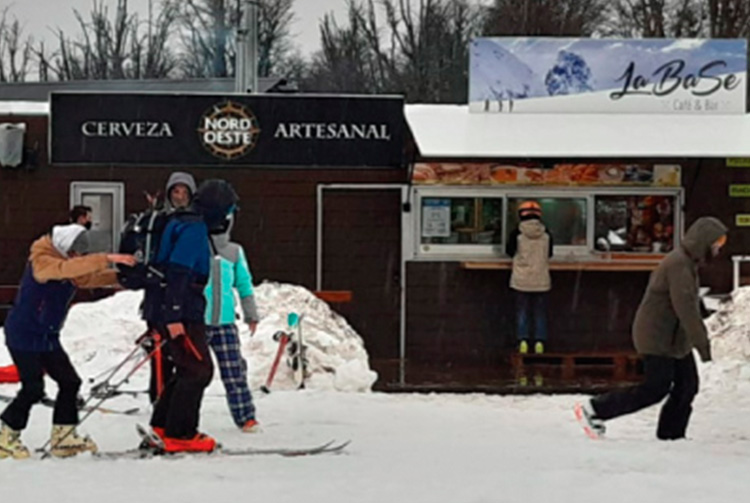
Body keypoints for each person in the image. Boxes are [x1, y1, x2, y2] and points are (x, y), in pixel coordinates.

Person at [576, 217, 728, 441]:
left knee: (687, 386)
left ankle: (671, 435)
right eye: (717, 243)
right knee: (655, 388)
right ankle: (595, 409)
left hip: (675, 339)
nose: (718, 248)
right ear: (703, 242)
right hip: (657, 337)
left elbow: (691, 303)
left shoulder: (688, 263)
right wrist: (703, 345)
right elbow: (685, 309)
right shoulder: (679, 265)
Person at [0, 223, 135, 459]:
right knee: (33, 389)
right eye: (74, 252)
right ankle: (5, 436)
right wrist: (107, 257)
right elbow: (64, 270)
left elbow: (83, 278)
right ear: (64, 247)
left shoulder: (67, 264)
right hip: (23, 334)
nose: (77, 257)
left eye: (79, 254)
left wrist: (124, 277)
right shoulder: (42, 260)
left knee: (70, 382)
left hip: (47, 335)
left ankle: (64, 437)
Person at [143, 179, 238, 453]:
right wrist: (173, 316)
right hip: (181, 310)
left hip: (172, 307)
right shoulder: (193, 229)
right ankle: (180, 434)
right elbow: (178, 271)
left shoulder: (182, 221)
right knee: (198, 370)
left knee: (186, 367)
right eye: (228, 210)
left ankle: (162, 426)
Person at [204, 210, 261, 432]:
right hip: (197, 322)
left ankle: (246, 416)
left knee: (234, 371)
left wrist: (251, 314)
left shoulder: (234, 251)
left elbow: (244, 285)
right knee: (193, 375)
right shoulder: (197, 247)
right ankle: (182, 420)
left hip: (225, 323)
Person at [145, 172, 197, 404]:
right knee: (164, 353)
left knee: (180, 355)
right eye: (176, 192)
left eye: (185, 192)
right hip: (161, 295)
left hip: (184, 297)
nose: (180, 197)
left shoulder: (194, 221)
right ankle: (160, 400)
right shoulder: (162, 221)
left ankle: (169, 403)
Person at [507, 201, 553, 355]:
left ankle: (523, 342)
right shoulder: (546, 234)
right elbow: (550, 254)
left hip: (521, 279)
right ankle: (540, 343)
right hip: (541, 279)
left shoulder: (517, 234)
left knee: (522, 312)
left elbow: (509, 251)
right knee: (540, 312)